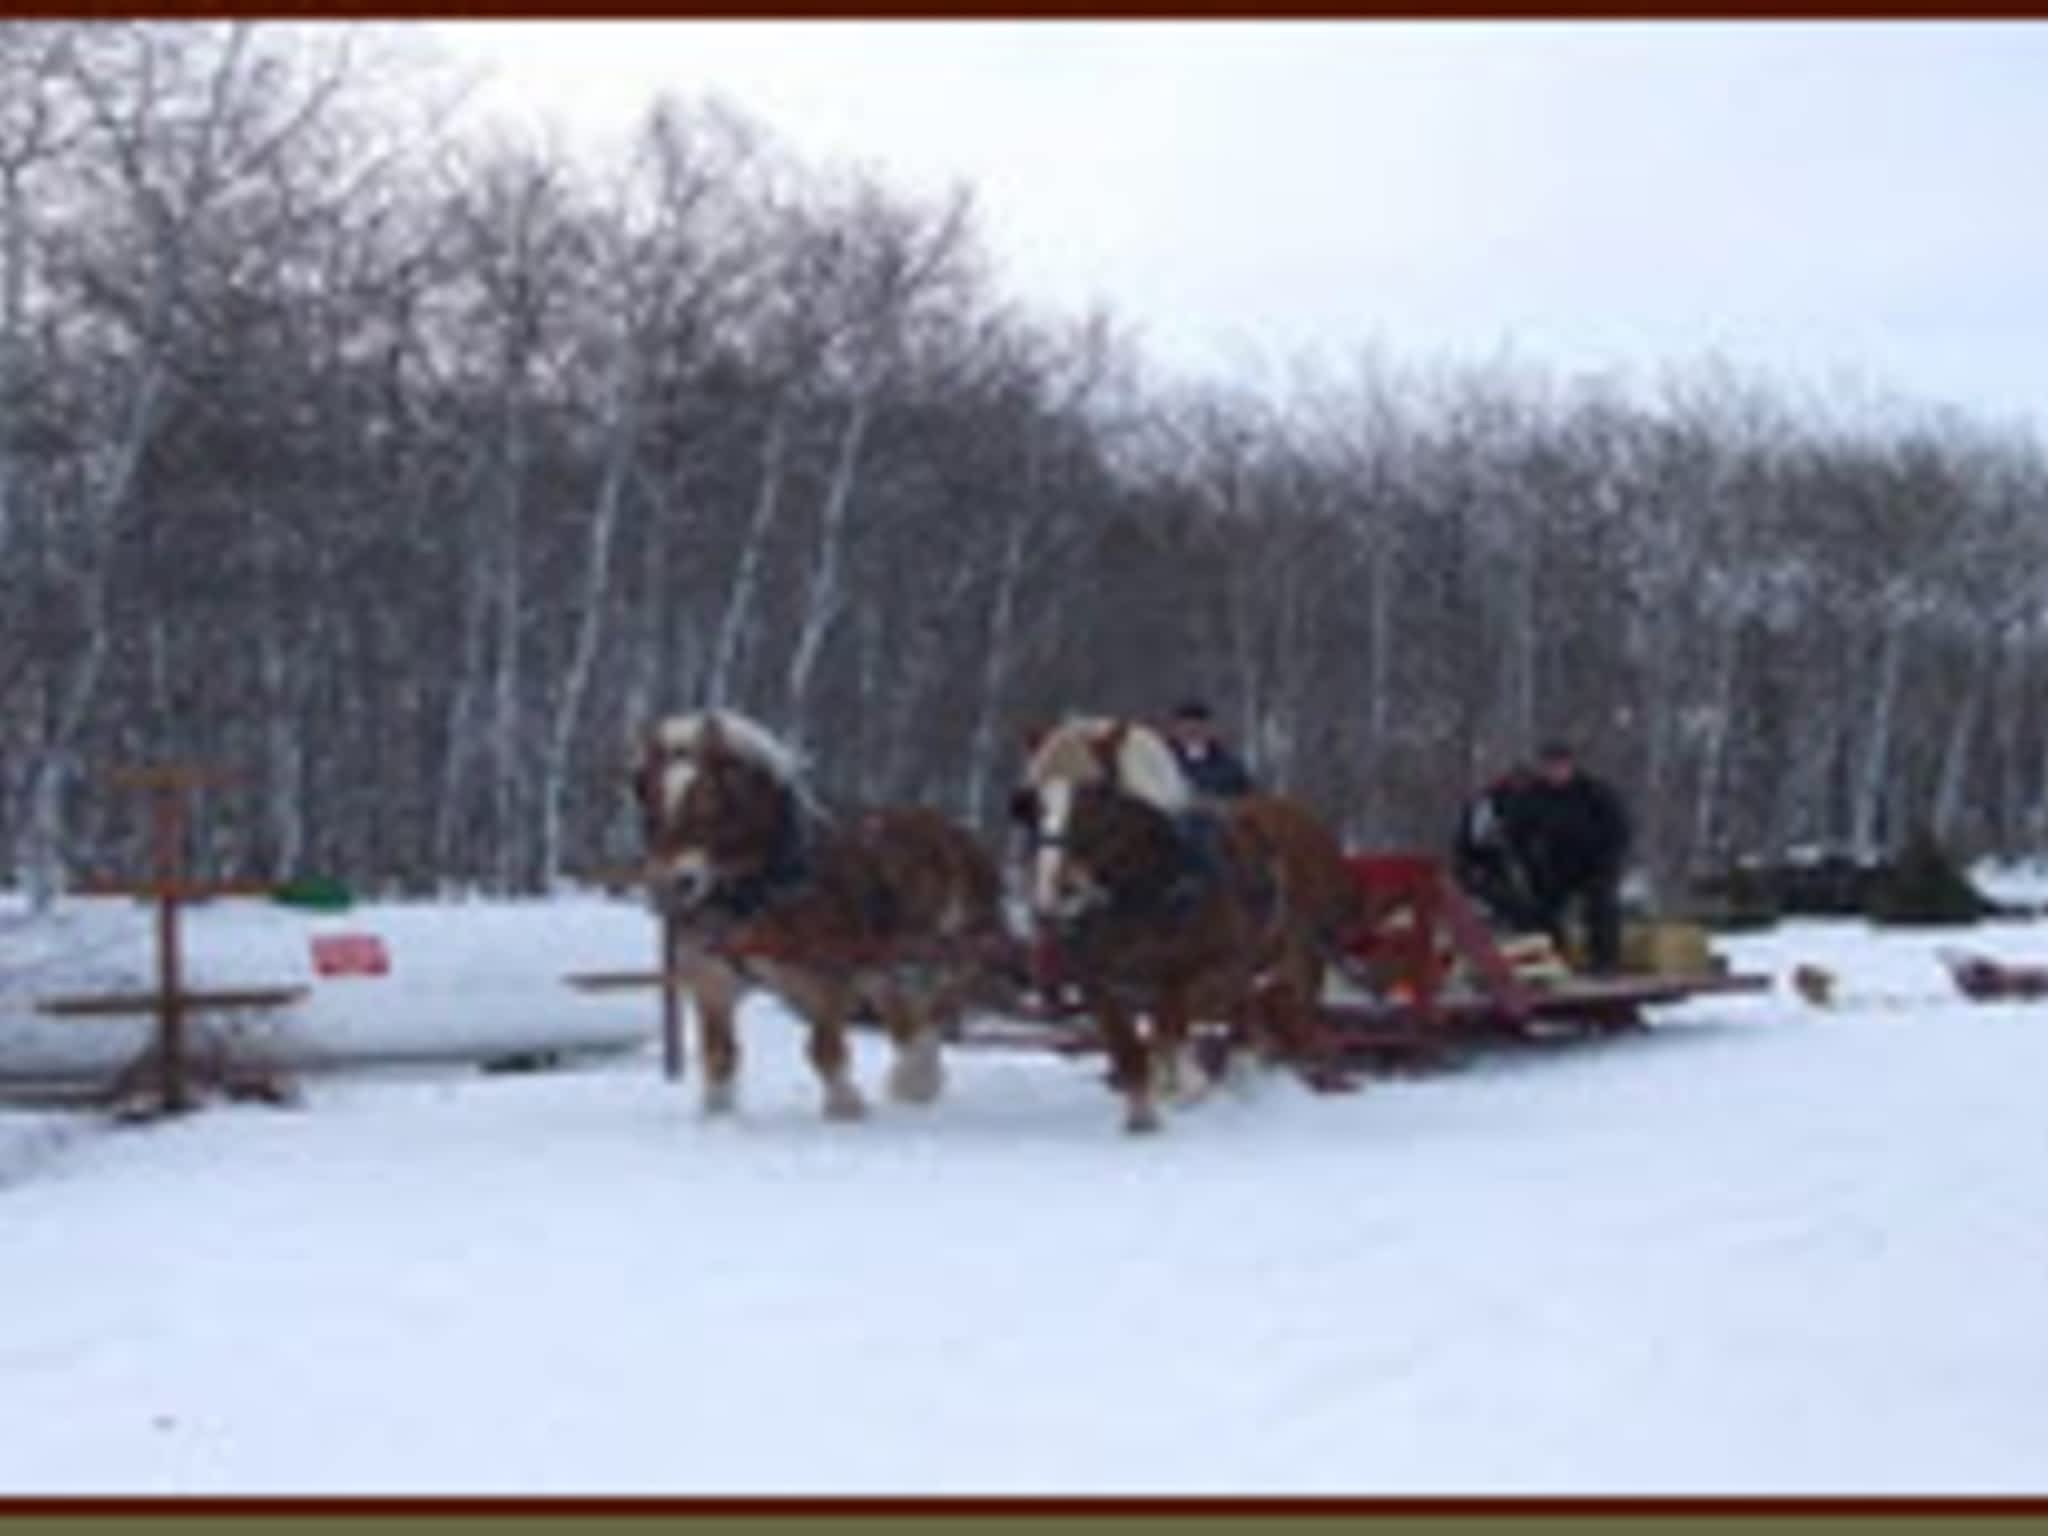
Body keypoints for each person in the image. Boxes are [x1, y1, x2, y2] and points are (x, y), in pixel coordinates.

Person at [1518, 739, 1633, 974]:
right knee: (1539, 906)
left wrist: (1609, 864)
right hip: (1556, 866)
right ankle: (1553, 958)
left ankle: (1605, 962)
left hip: (1595, 863)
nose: (1555, 772)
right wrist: (1531, 864)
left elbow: (1619, 829)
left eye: (1560, 766)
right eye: (1549, 766)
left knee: (1601, 903)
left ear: (1570, 766)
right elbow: (1519, 831)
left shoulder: (1594, 791)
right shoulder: (1533, 795)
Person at [1450, 763, 1545, 934]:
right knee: (1508, 899)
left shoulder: (1536, 802)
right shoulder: (1488, 803)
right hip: (1482, 865)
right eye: (1518, 783)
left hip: (1515, 864)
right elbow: (1475, 840)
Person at [1162, 699, 1255, 799]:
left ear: (1210, 730)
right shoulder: (1164, 761)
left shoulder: (1230, 766)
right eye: (1187, 730)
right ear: (1174, 731)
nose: (1193, 732)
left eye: (1198, 728)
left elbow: (1249, 798)